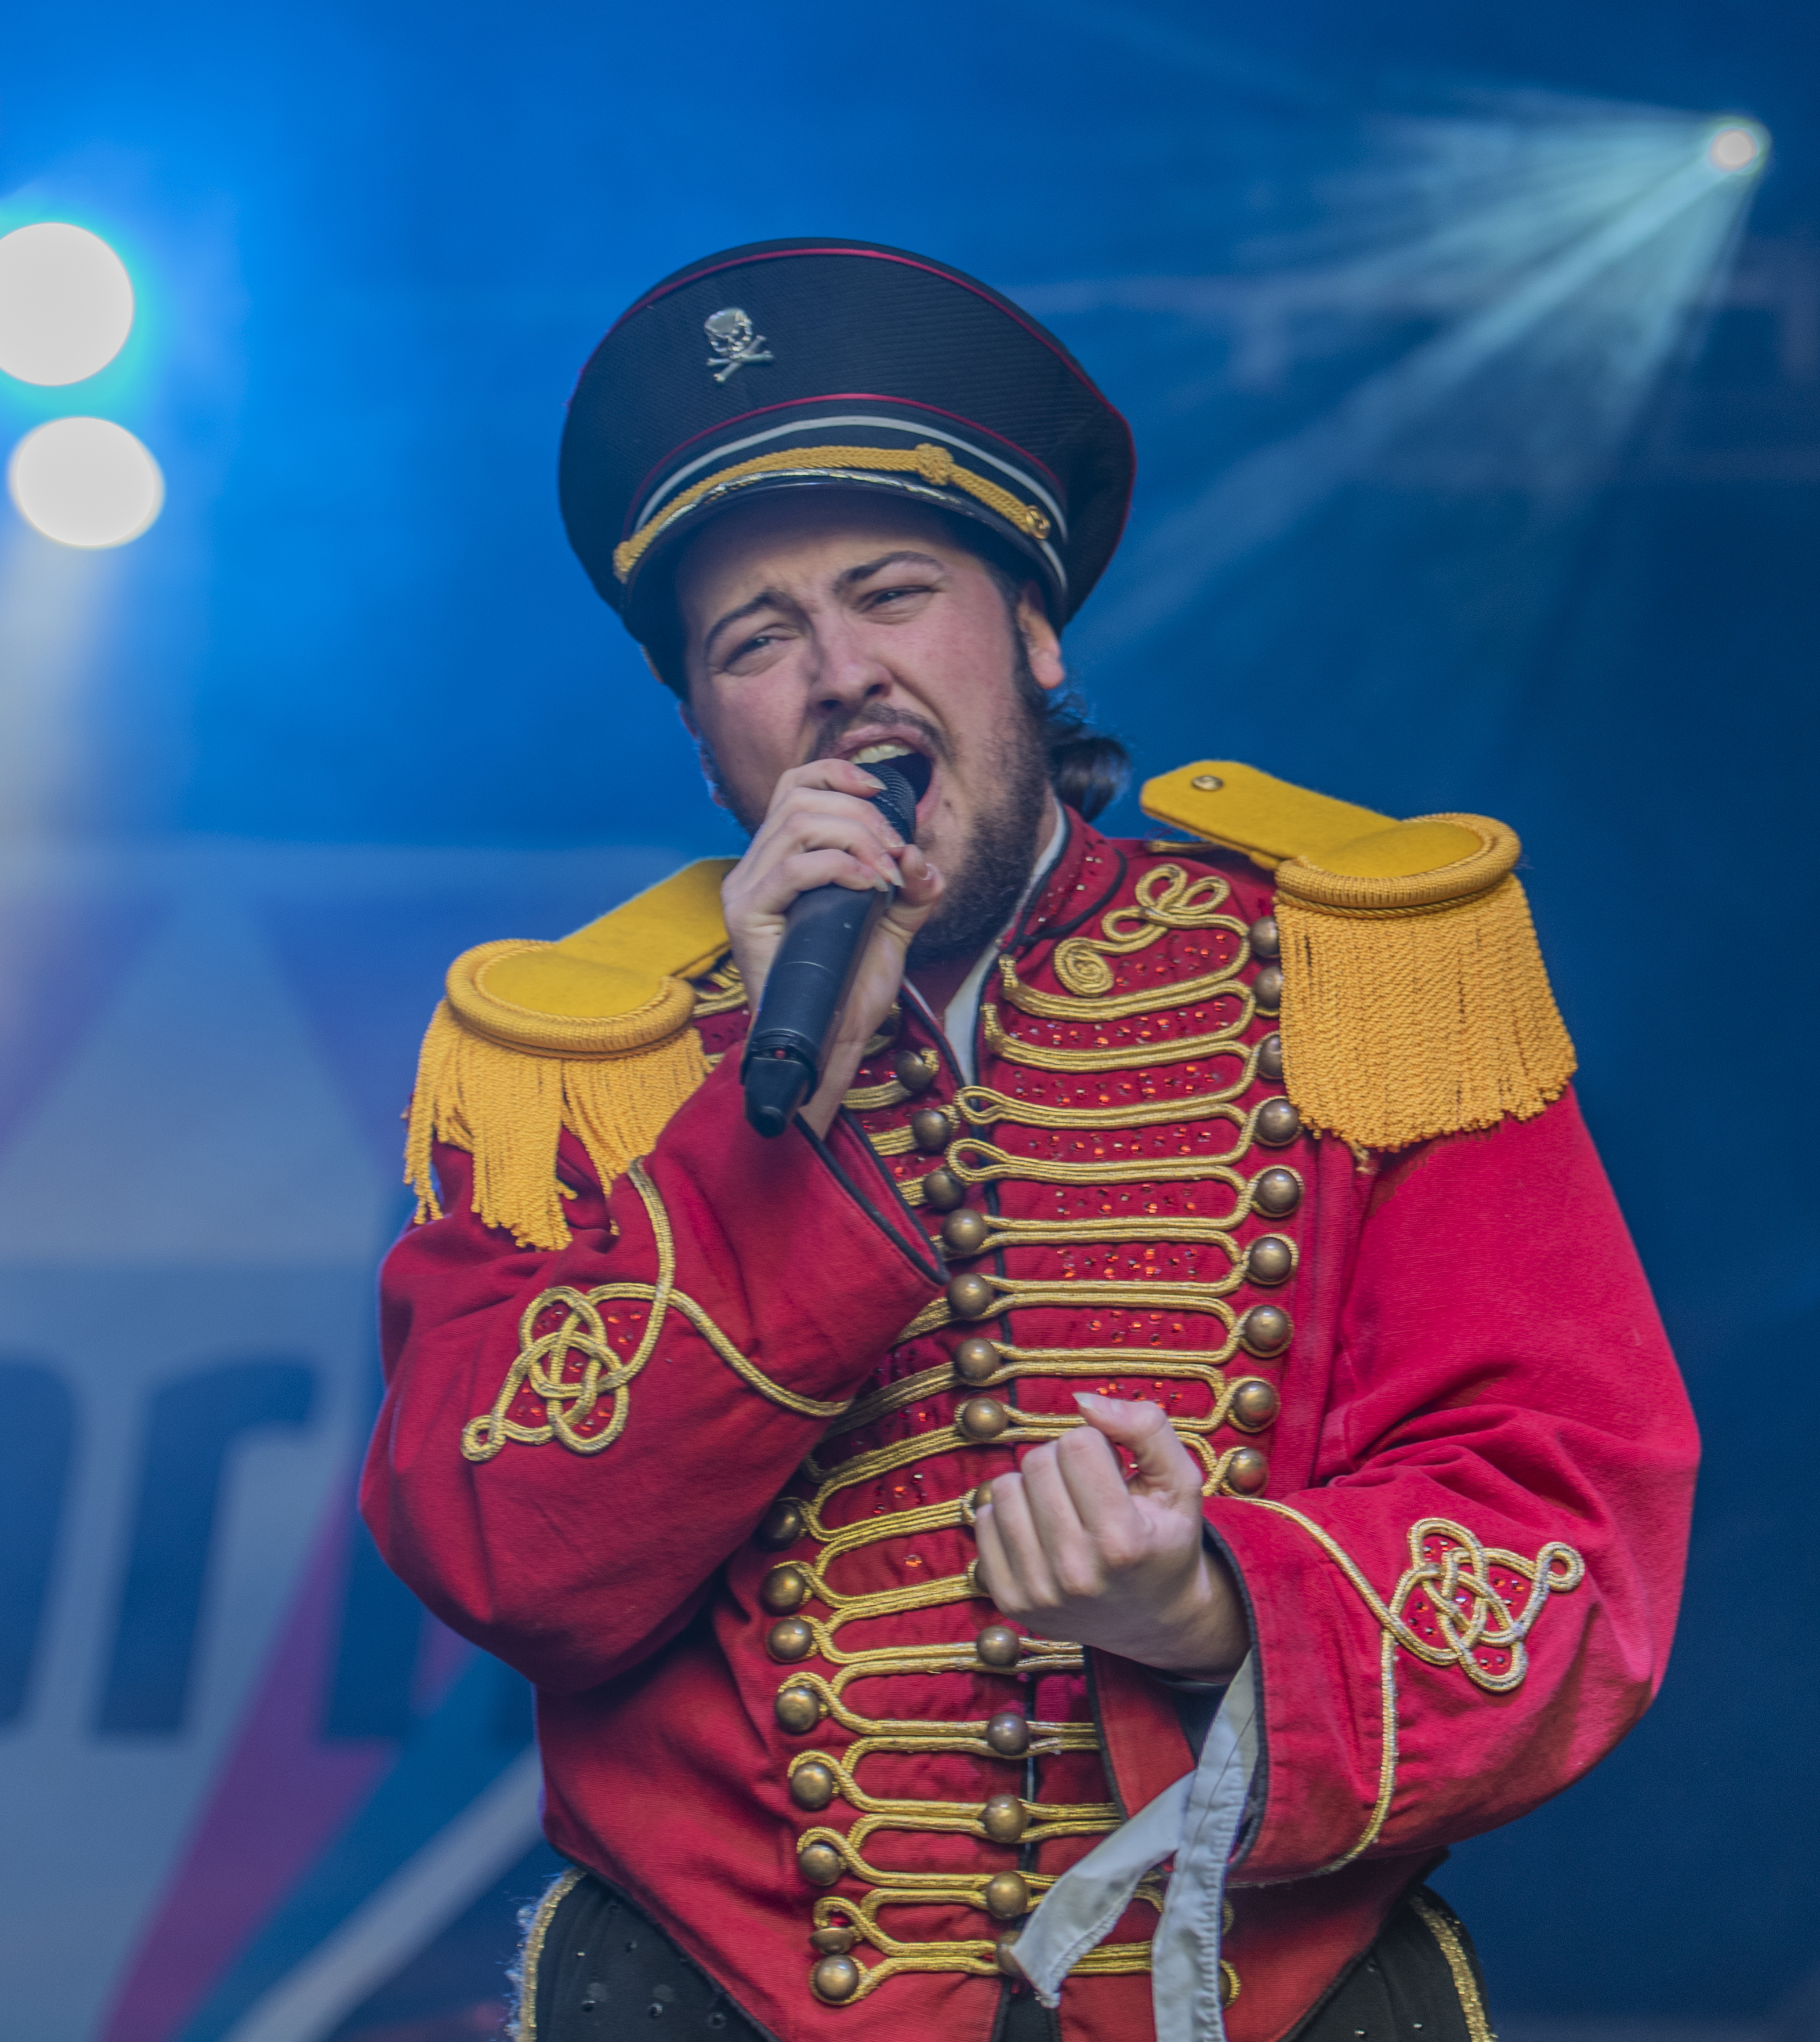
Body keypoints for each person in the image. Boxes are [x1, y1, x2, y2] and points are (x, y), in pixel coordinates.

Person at [363, 239, 1697, 2042]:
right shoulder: (578, 1063)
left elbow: (1571, 1529)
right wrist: (778, 1115)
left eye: (891, 592)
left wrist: (1214, 1602)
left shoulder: (1367, 976)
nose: (839, 673)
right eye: (756, 640)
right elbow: (503, 1548)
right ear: (703, 735)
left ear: (1033, 633)